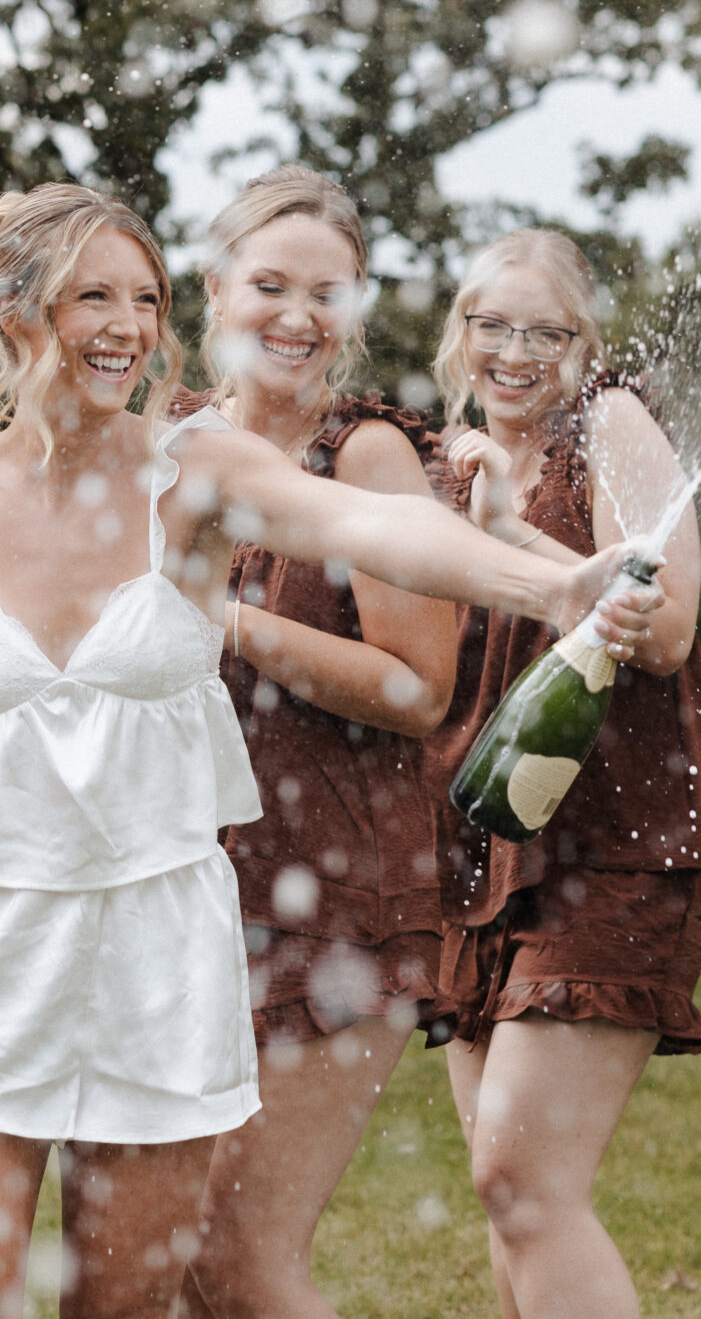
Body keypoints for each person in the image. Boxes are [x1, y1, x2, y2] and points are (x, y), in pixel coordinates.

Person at [0, 183, 644, 1319]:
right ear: (10, 311)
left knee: (127, 1306)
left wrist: (549, 584)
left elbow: (375, 528)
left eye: (144, 299)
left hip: (158, 953)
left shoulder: (194, 473)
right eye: (90, 298)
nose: (126, 325)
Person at [419, 228, 701, 1319]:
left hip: (616, 836)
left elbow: (665, 625)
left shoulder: (609, 425)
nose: (514, 351)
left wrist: (517, 539)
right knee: (506, 1196)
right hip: (483, 850)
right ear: (457, 333)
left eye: (544, 331)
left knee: (525, 1183)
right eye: (489, 325)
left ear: (584, 342)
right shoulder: (444, 458)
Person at [168, 168, 462, 1319]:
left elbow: (417, 686)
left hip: (335, 888)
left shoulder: (368, 458)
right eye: (269, 285)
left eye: (325, 293)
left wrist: (230, 621)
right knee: (183, 1265)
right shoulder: (174, 448)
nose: (296, 317)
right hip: (191, 888)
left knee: (241, 1261)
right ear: (214, 288)